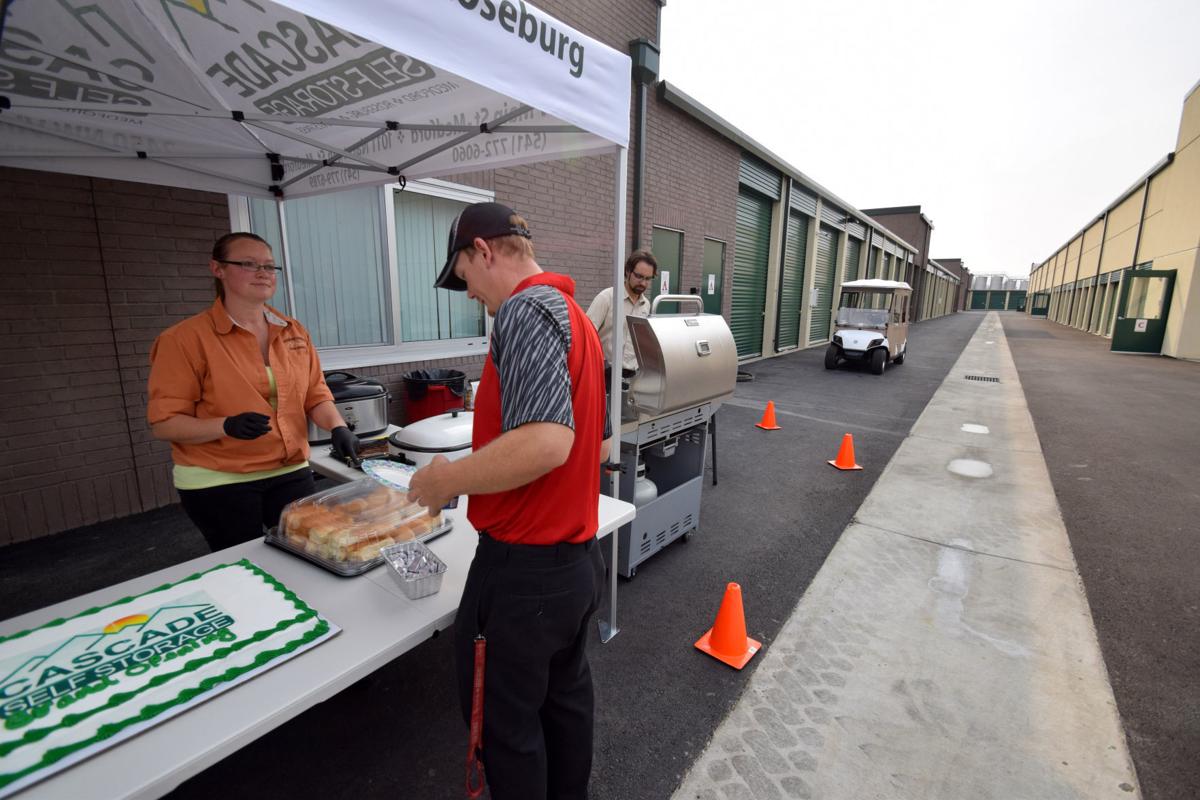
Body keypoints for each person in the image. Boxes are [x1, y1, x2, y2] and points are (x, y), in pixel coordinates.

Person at [406, 202, 611, 800]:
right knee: (564, 705)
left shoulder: (524, 310)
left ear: (483, 251)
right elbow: (586, 447)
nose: (470, 293)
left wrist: (449, 481)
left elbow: (547, 442)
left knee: (505, 727)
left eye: (464, 275)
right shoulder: (576, 316)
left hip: (523, 578)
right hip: (575, 564)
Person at [147, 232, 359, 552]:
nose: (263, 272)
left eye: (269, 266)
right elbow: (165, 423)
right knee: (245, 571)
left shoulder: (293, 331)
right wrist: (225, 425)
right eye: (248, 263)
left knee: (312, 554)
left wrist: (338, 427)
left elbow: (315, 393)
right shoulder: (183, 339)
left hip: (291, 470)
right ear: (217, 269)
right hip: (219, 479)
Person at [585, 249, 658, 373]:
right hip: (605, 373)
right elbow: (585, 336)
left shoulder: (646, 305)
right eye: (639, 276)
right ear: (628, 271)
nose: (643, 283)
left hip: (634, 375)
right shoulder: (607, 298)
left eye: (648, 279)